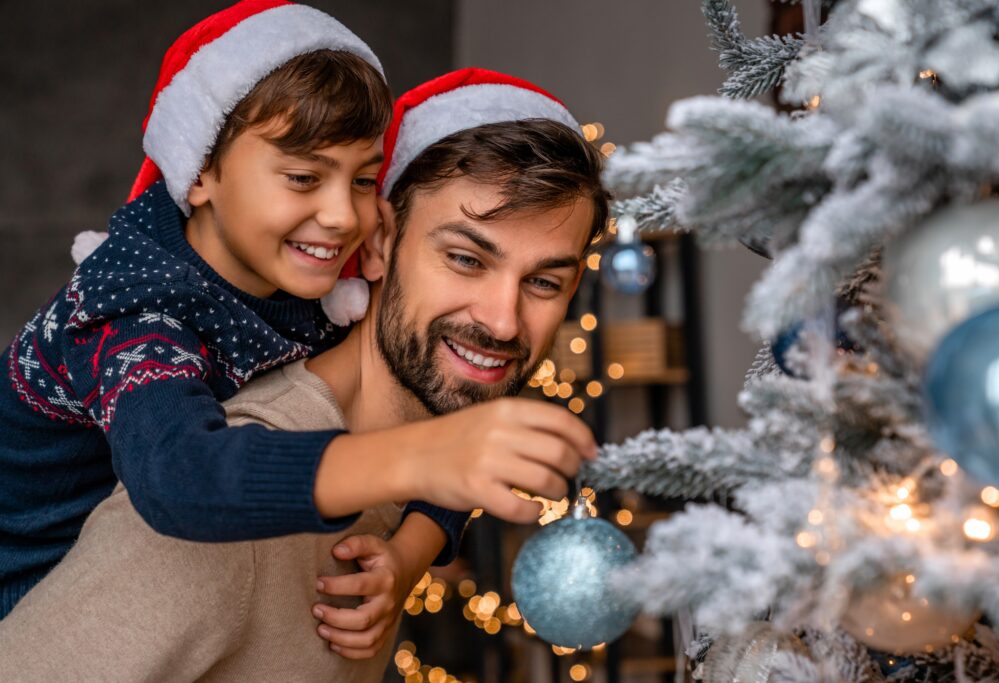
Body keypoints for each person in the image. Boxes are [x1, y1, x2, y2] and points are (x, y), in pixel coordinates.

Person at [0, 68, 610, 682]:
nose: (504, 322)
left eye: (543, 282)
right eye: (464, 258)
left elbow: (450, 456)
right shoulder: (232, 501)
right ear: (376, 245)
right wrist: (424, 455)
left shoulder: (397, 455)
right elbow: (181, 478)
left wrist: (411, 544)